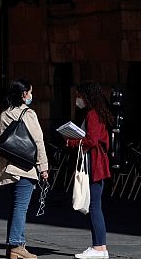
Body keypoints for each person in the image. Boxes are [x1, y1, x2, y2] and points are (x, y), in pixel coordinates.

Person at [0, 79, 48, 259]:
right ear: (24, 93)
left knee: (15, 206)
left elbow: (2, 143)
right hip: (25, 168)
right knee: (21, 207)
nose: (31, 96)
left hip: (10, 168)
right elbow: (38, 142)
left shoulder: (4, 114)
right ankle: (17, 245)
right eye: (30, 92)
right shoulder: (28, 114)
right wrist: (43, 167)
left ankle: (13, 246)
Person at [67, 81, 112, 259]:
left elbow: (91, 140)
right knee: (95, 205)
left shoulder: (93, 115)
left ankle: (99, 247)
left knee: (94, 206)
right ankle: (99, 246)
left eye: (79, 95)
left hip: (95, 164)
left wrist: (71, 141)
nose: (78, 99)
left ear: (87, 96)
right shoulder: (98, 113)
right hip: (97, 162)